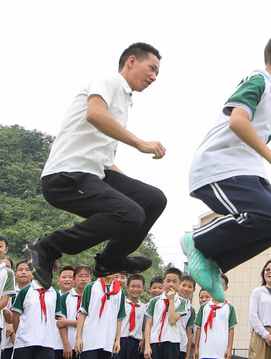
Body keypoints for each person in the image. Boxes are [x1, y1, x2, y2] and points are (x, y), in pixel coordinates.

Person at [26, 43, 167, 289]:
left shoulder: (125, 100)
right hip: (66, 175)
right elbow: (95, 114)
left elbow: (106, 161)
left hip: (95, 173)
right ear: (131, 61)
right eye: (151, 68)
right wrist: (139, 143)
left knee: (153, 199)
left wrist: (130, 187)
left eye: (157, 72)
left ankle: (110, 260)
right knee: (130, 213)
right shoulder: (110, 80)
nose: (154, 76)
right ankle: (48, 247)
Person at [182, 31, 271, 301]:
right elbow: (237, 121)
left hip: (246, 169)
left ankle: (214, 263)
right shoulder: (258, 80)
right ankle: (197, 241)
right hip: (219, 166)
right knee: (270, 216)